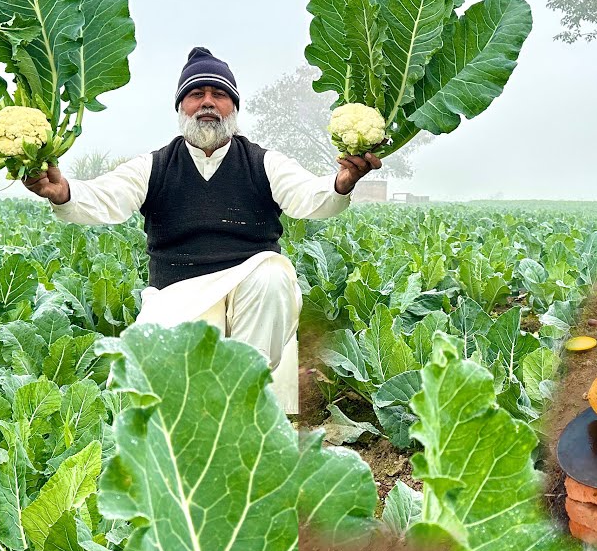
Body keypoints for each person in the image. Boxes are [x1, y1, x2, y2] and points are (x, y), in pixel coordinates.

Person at [23, 47, 381, 413]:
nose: (208, 103)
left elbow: (310, 196)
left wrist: (343, 182)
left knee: (273, 274)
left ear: (234, 109)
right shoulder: (156, 166)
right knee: (147, 397)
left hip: (250, 290)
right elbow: (106, 195)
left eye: (219, 94)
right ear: (182, 108)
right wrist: (63, 193)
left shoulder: (263, 162)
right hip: (180, 291)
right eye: (197, 94)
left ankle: (244, 405)